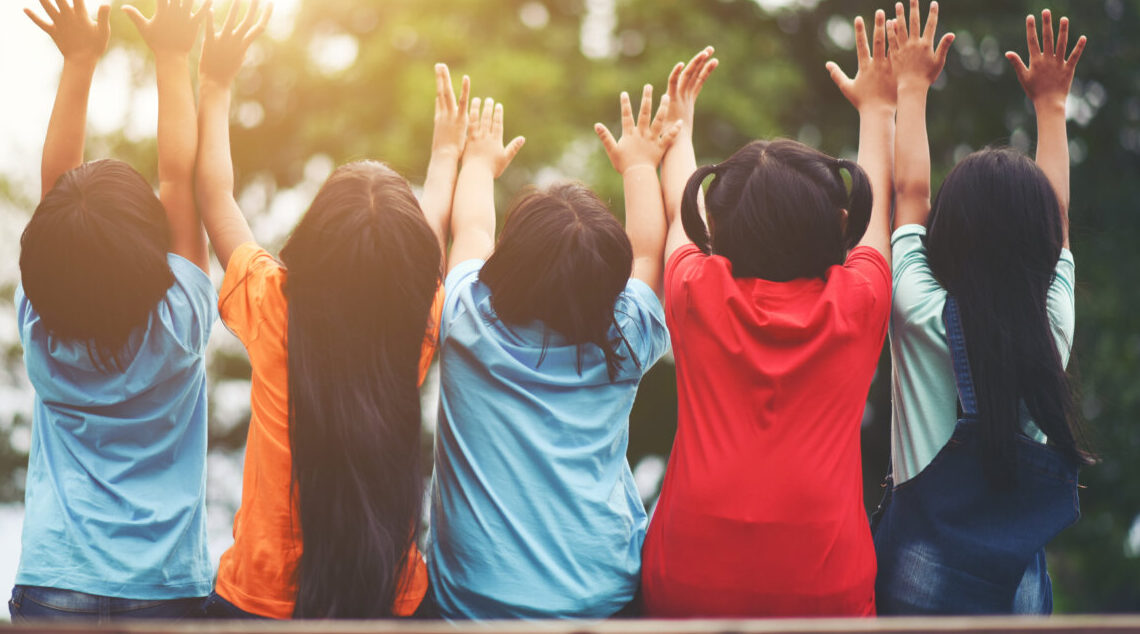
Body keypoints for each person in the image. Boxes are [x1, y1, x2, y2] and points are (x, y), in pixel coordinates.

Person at [194, 1, 466, 618]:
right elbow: (421, 260)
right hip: (390, 603)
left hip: (256, 606)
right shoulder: (414, 325)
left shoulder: (273, 307)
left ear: (311, 240)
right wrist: (447, 157)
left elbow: (215, 196)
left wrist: (214, 84)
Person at [640, 29, 895, 616]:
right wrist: (879, 107)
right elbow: (875, 207)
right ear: (834, 223)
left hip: (686, 584)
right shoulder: (858, 303)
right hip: (825, 595)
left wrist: (678, 125)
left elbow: (684, 211)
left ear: (720, 235)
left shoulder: (695, 293)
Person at [873, 1, 1092, 614]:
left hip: (913, 588)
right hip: (1016, 597)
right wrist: (1052, 108)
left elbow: (908, 192)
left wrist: (911, 85)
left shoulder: (916, 309)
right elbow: (1060, 219)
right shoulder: (1052, 323)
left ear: (950, 228)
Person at [426, 87, 677, 618]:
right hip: (601, 599)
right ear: (611, 280)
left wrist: (475, 161)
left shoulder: (466, 319)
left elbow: (470, 227)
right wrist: (639, 165)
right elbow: (651, 250)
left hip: (475, 606)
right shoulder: (625, 338)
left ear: (511, 260)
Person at [10, 0, 214, 621]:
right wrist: (175, 59)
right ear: (149, 247)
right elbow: (180, 180)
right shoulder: (180, 323)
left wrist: (78, 62)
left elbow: (55, 192)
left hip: (53, 586)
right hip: (166, 594)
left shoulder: (41, 325)